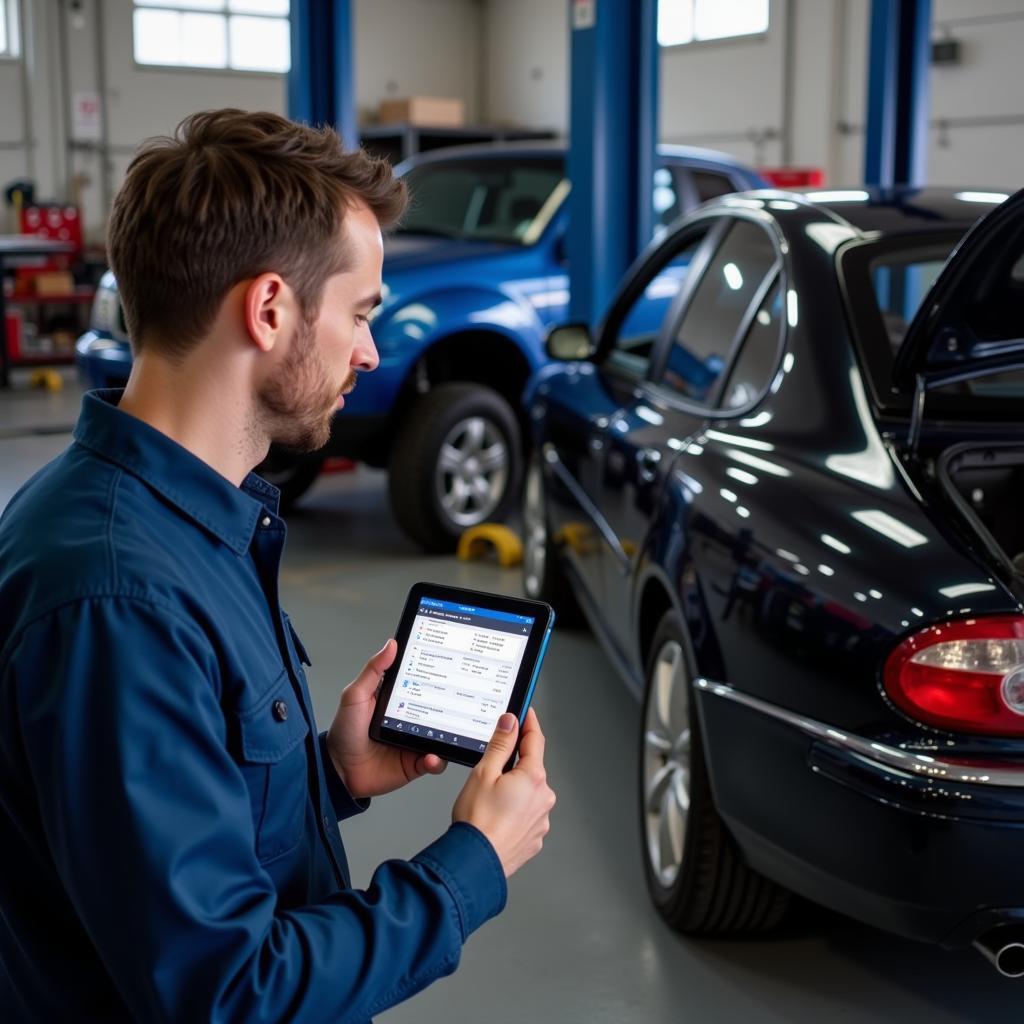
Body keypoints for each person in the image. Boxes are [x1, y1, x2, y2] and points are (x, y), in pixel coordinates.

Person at [0, 109, 555, 1022]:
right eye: (359, 313)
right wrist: (470, 868)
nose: (370, 351)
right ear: (268, 310)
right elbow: (226, 995)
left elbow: (153, 850)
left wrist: (328, 778)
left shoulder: (178, 521)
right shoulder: (115, 595)